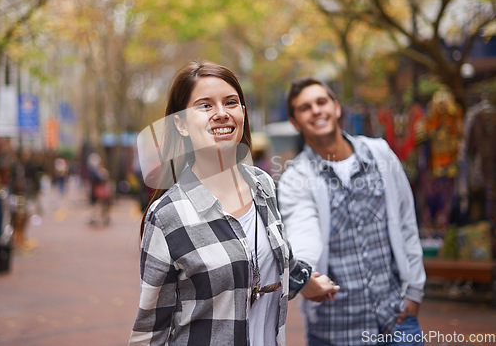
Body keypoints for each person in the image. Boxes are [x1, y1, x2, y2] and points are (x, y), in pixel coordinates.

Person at [129, 61, 339, 346]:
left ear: (243, 112)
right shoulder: (167, 215)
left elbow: (275, 257)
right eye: (205, 106)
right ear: (180, 124)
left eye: (231, 102)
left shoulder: (262, 184)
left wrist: (307, 282)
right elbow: (150, 331)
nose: (221, 114)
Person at [277, 77, 426, 346]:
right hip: (335, 330)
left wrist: (414, 293)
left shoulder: (380, 154)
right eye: (305, 107)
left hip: (399, 321)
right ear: (295, 122)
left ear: (335, 108)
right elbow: (302, 229)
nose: (316, 110)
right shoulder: (295, 178)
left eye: (321, 102)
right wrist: (305, 274)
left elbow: (406, 222)